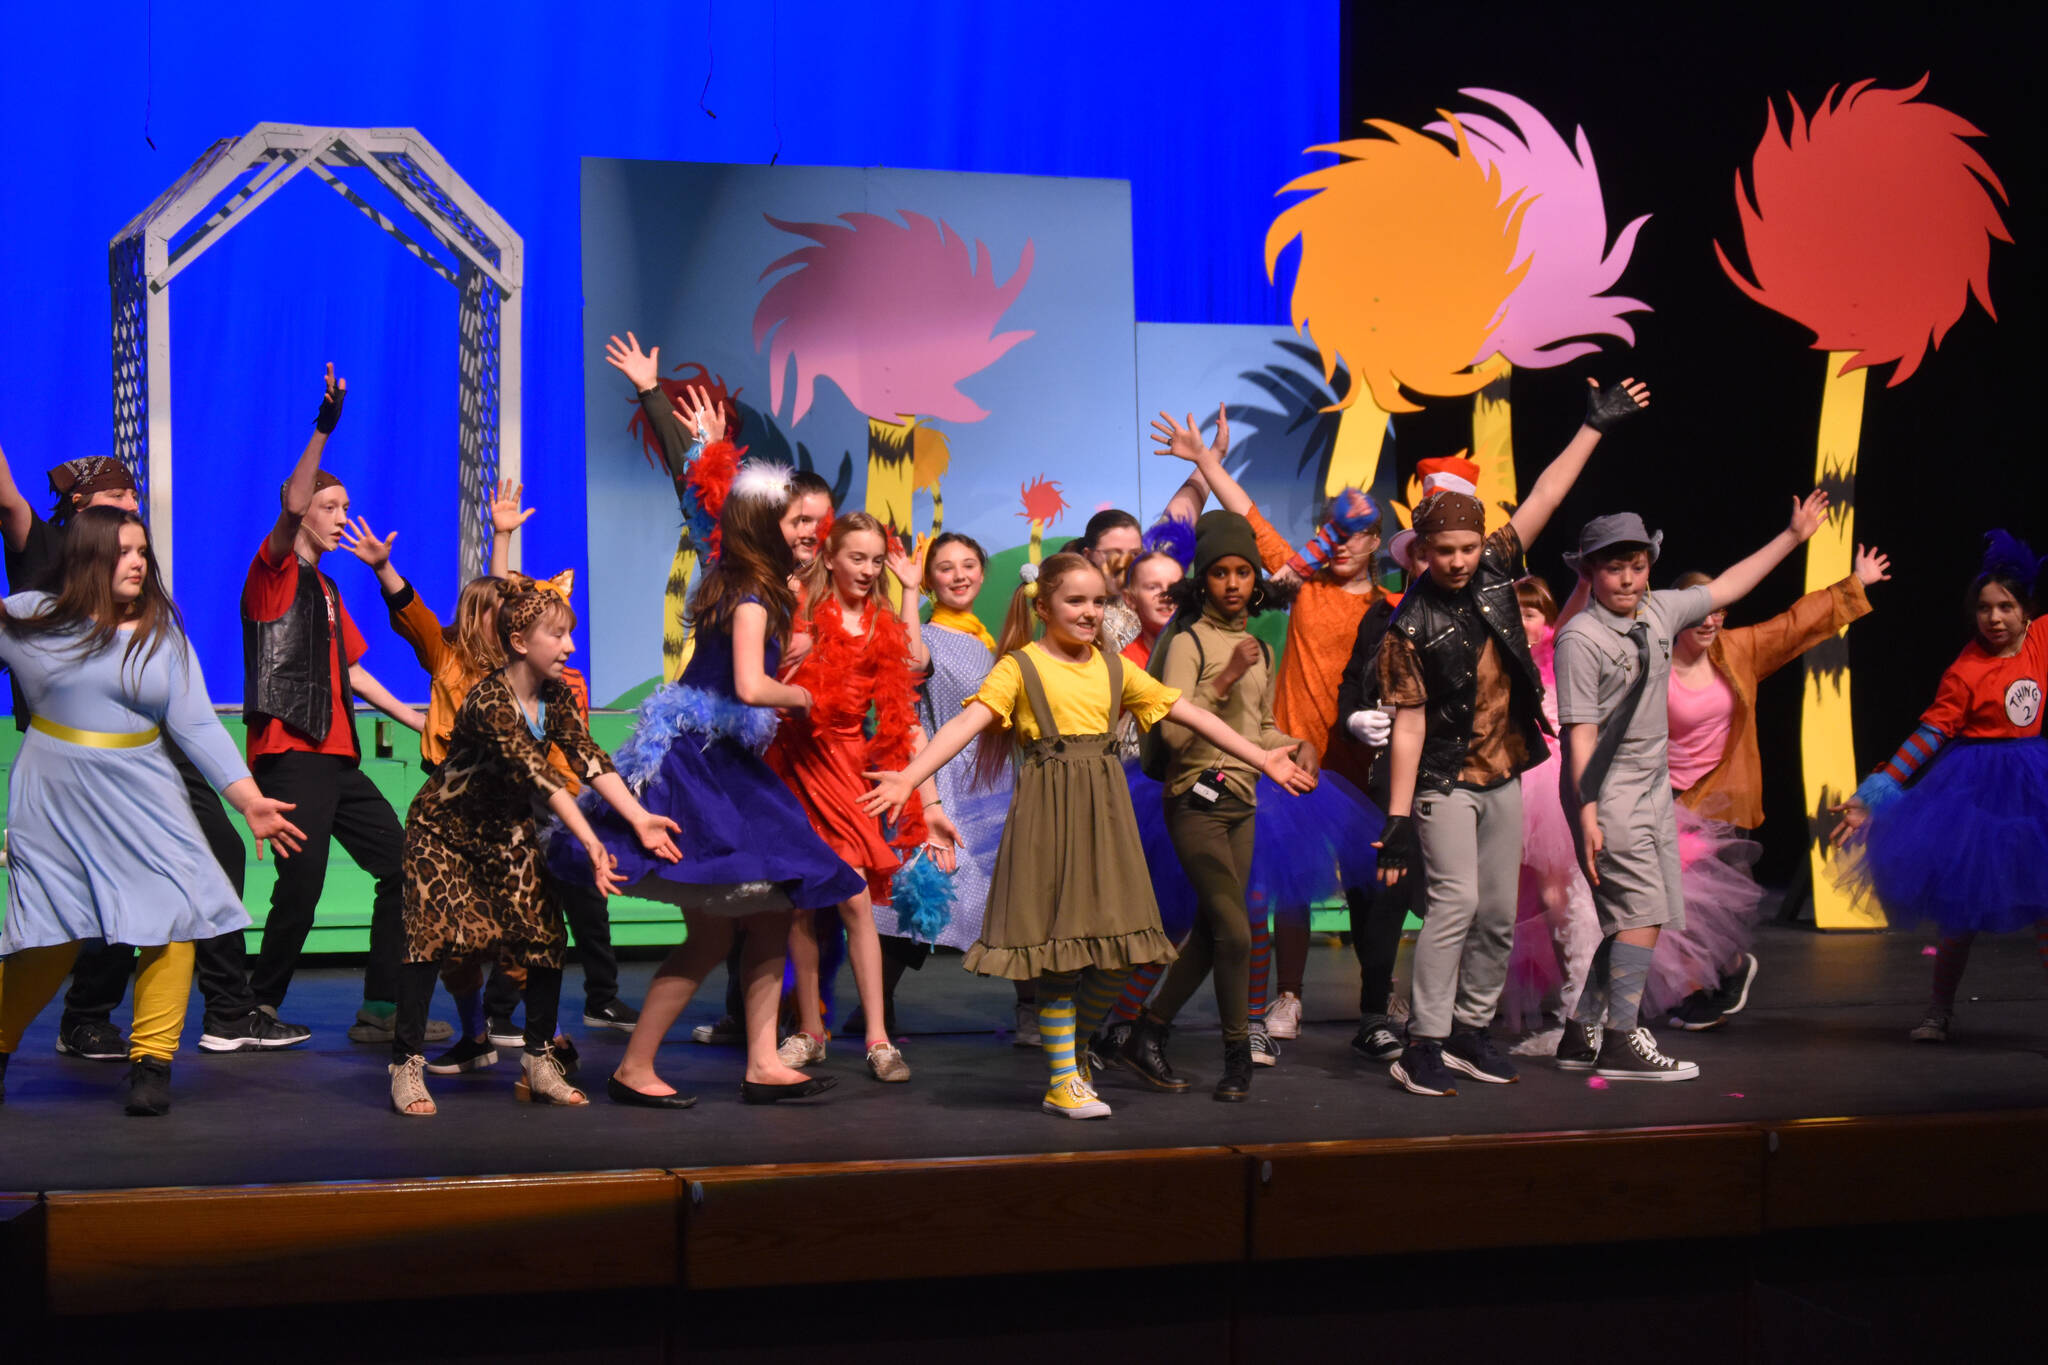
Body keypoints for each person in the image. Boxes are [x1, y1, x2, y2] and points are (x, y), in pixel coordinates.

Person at [860, 552, 1314, 1119]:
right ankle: (1061, 1081)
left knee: (1125, 948)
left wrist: (1259, 756)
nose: (1090, 612)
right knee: (1062, 954)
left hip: (1107, 817)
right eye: (1076, 601)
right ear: (1043, 605)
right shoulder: (1020, 667)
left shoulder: (1114, 667)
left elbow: (1194, 716)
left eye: (1098, 601)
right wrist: (910, 776)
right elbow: (962, 725)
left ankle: (1071, 1053)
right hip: (1051, 818)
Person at [550, 448, 864, 1106]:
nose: (809, 532)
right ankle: (638, 1065)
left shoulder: (752, 588)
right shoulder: (751, 595)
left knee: (774, 909)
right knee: (717, 931)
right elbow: (750, 687)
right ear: (759, 524)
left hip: (722, 759)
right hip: (698, 765)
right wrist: (802, 695)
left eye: (814, 523)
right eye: (795, 521)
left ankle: (761, 1060)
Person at [1373, 377, 1649, 1098]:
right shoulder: (1408, 626)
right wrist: (1398, 817)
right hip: (1442, 779)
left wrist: (1593, 427)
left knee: (1497, 910)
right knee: (1455, 904)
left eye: (1467, 547)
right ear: (1421, 552)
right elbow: (1407, 724)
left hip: (1503, 769)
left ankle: (1469, 1029)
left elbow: (1546, 498)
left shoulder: (1498, 568)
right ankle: (1422, 1041)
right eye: (1445, 551)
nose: (1460, 561)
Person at [0, 443, 309, 1057]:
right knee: (66, 920)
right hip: (63, 770)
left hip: (144, 752)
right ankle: (83, 1015)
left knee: (193, 880)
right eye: (119, 503)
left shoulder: (152, 623)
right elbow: (9, 500)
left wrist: (247, 797)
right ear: (85, 517)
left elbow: (196, 721)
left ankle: (202, 1026)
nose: (133, 518)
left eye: (140, 534)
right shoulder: (44, 560)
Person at [341, 483, 636, 1075]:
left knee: (535, 929)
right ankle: (466, 1038)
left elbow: (573, 753)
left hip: (515, 812)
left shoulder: (535, 681)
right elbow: (412, 611)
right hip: (454, 816)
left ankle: (544, 1039)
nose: (493, 615)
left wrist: (502, 536)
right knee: (448, 941)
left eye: (499, 609)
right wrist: (385, 568)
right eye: (485, 608)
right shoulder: (453, 660)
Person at [1550, 491, 1831, 1083]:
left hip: (1653, 788)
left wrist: (1793, 537)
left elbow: (1728, 587)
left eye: (1636, 566)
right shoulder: (1581, 637)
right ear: (1588, 571)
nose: (1627, 579)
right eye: (1611, 567)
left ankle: (1582, 1031)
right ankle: (1621, 1038)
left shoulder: (1659, 610)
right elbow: (1578, 734)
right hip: (1606, 787)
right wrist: (1587, 811)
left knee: (1638, 912)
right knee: (1640, 912)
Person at [387, 582, 680, 1115]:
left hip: (507, 832)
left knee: (545, 935)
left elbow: (587, 758)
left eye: (570, 634)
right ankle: (405, 1063)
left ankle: (538, 1058)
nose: (570, 646)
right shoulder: (489, 701)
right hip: (444, 832)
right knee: (429, 939)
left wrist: (639, 818)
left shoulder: (556, 693)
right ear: (520, 641)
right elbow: (542, 776)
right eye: (558, 634)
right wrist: (591, 841)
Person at [1153, 410, 1389, 1048]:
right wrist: (1206, 460)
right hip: (1287, 758)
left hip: (1359, 766)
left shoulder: (1391, 609)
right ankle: (1285, 997)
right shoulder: (1303, 588)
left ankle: (1378, 1001)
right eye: (1333, 533)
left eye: (1357, 536)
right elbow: (1248, 522)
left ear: (1377, 544)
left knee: (1372, 887)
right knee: (1285, 888)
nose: (1342, 545)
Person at [239, 366, 445, 1045]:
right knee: (301, 889)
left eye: (342, 505)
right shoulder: (273, 573)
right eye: (331, 506)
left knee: (403, 862)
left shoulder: (327, 590)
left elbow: (352, 670)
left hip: (337, 757)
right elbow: (294, 503)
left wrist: (414, 717)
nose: (339, 517)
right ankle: (254, 1007)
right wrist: (325, 424)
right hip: (292, 755)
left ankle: (381, 1005)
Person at [1653, 547, 1887, 1030]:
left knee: (1714, 904)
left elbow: (1794, 624)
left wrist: (1855, 583)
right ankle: (1695, 987)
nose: (1711, 620)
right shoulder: (1650, 661)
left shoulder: (1737, 651)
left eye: (1718, 609)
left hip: (1724, 793)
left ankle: (1729, 972)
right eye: (1698, 609)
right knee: (1669, 903)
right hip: (1664, 797)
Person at [1831, 531, 2047, 1043]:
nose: (1994, 618)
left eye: (2005, 607)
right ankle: (1939, 1010)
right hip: (1976, 791)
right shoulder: (1966, 669)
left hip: (2034, 787)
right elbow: (1931, 733)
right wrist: (1875, 792)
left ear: (2026, 611)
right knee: (1960, 912)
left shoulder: (2041, 640)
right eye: (1984, 608)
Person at [769, 511, 959, 1083]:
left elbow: (908, 688)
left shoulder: (880, 621)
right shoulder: (800, 607)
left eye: (876, 560)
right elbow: (765, 680)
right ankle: (810, 1030)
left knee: (855, 903)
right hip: (798, 767)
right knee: (803, 904)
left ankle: (878, 1037)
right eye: (858, 558)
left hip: (850, 774)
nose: (868, 569)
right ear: (830, 557)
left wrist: (930, 806)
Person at [1123, 511, 1298, 1100]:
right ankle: (1236, 1055)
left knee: (1209, 931)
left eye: (1242, 572)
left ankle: (1145, 1030)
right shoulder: (1190, 641)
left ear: (1255, 580)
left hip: (1242, 802)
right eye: (1220, 572)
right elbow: (1170, 734)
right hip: (1192, 801)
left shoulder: (1258, 649)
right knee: (1237, 930)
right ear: (1203, 579)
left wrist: (1299, 747)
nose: (1231, 583)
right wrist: (1223, 679)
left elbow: (1263, 729)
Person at [863, 532, 1037, 1042]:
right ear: (931, 578)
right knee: (916, 901)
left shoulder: (989, 639)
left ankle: (1029, 1009)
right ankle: (878, 1006)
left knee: (1017, 901)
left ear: (983, 573)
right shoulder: (932, 636)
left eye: (968, 565)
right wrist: (908, 593)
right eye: (945, 568)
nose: (959, 575)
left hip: (1000, 787)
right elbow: (911, 661)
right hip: (945, 786)